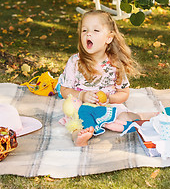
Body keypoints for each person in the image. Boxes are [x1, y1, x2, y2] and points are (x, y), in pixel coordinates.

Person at [58, 10, 139, 146]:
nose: (88, 34)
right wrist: (82, 95)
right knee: (76, 121)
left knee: (127, 116)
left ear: (109, 38)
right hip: (83, 106)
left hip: (108, 105)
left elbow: (124, 93)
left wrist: (109, 98)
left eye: (96, 30)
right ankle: (79, 137)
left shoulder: (115, 64)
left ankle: (148, 120)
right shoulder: (75, 62)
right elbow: (64, 90)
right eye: (84, 30)